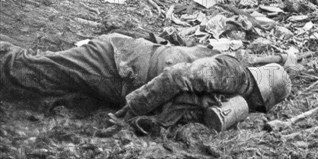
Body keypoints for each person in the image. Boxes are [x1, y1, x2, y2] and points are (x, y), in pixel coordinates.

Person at [0, 33, 291, 133]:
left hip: (127, 69)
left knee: (51, 82)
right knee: (31, 71)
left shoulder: (235, 72)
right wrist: (133, 108)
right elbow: (179, 76)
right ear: (260, 95)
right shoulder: (235, 76)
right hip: (117, 65)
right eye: (259, 106)